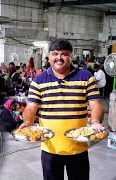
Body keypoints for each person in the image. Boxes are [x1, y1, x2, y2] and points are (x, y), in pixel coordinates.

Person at [20, 38, 104, 180]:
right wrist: (28, 122)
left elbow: (95, 105)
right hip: (50, 149)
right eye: (54, 53)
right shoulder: (38, 81)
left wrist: (95, 121)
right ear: (49, 56)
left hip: (78, 148)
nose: (59, 58)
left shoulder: (85, 77)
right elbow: (30, 108)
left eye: (64, 54)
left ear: (70, 56)